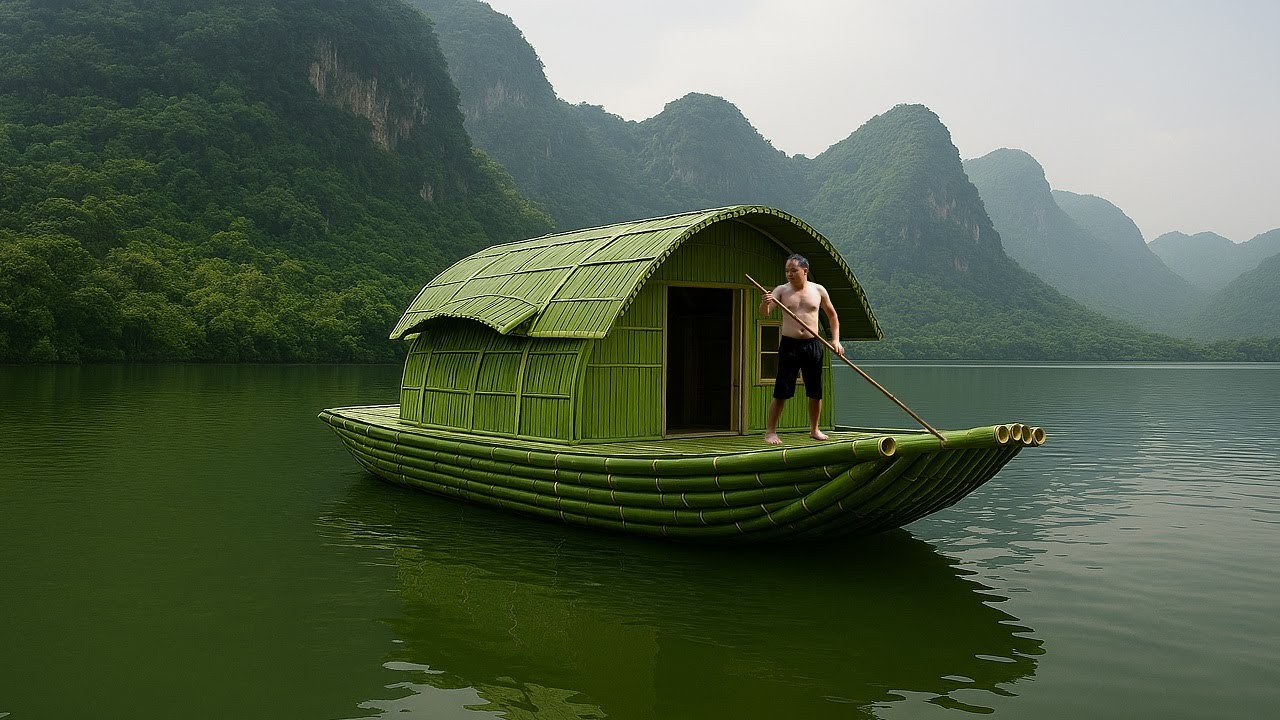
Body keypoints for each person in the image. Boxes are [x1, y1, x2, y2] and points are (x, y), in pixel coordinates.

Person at [758, 254, 843, 444]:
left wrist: (836, 340)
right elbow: (765, 312)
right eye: (787, 271)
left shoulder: (818, 290)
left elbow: (832, 316)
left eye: (793, 271)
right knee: (782, 389)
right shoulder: (781, 290)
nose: (789, 274)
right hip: (790, 344)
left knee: (815, 390)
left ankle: (814, 429)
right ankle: (770, 432)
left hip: (813, 344)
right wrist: (765, 302)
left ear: (805, 271)